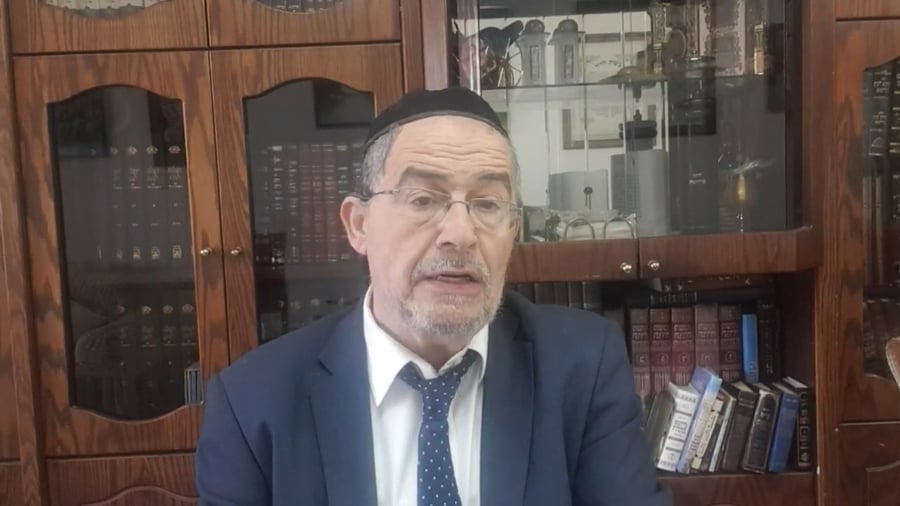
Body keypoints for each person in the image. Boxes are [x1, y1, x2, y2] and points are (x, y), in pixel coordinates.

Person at [195, 86, 672, 506]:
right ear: (358, 225)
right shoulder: (253, 403)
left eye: (487, 204)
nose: (460, 234)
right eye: (423, 199)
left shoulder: (581, 366)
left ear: (513, 230)